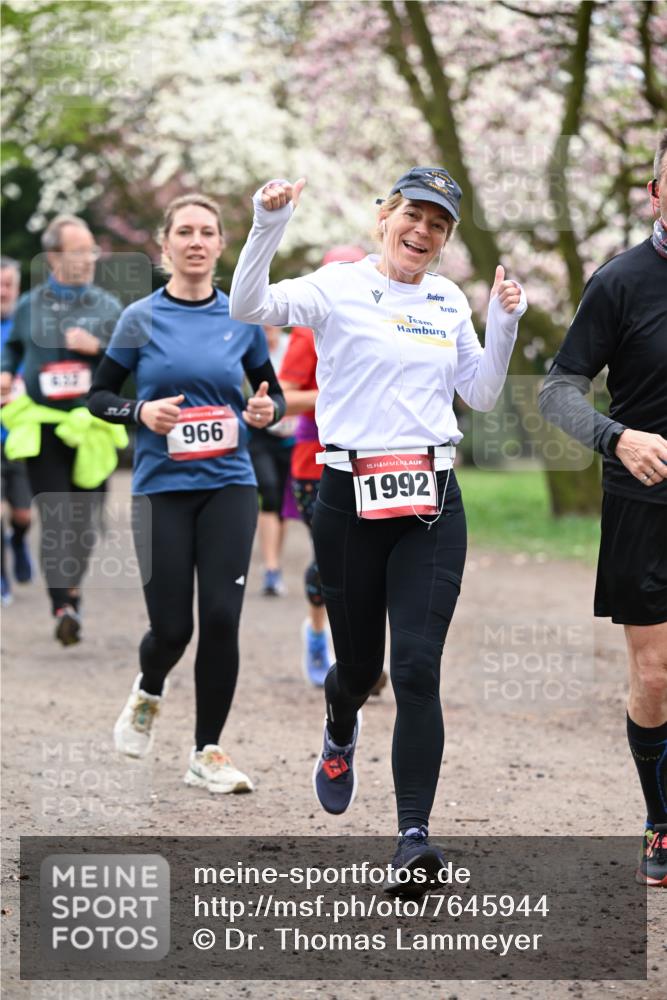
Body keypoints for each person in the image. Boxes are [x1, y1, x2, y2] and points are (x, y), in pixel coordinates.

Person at [230, 167, 526, 892]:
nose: (422, 232)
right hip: (348, 499)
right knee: (360, 671)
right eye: (412, 216)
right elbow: (248, 306)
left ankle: (413, 840)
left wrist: (504, 324)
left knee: (417, 668)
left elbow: (482, 392)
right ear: (385, 217)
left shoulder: (447, 299)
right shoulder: (337, 286)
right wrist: (268, 222)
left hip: (431, 501)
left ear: (445, 240)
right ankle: (340, 725)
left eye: (438, 225)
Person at [88, 193, 285, 794]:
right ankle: (149, 690)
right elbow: (98, 396)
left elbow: (271, 393)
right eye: (185, 232)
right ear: (165, 243)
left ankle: (207, 752)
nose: (196, 242)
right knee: (172, 629)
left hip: (229, 484)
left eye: (206, 232)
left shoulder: (242, 316)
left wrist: (266, 410)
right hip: (161, 490)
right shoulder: (139, 318)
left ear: (221, 245)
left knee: (221, 618)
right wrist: (140, 411)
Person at [539, 129, 667, 887]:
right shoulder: (619, 281)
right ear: (654, 193)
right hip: (643, 504)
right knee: (655, 677)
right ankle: (660, 819)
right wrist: (616, 438)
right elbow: (557, 389)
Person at [0, 218, 124, 643]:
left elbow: (132, 360)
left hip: (92, 427)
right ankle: (62, 606)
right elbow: (12, 348)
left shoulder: (107, 307)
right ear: (53, 257)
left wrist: (98, 348)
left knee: (84, 525)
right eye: (79, 251)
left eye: (92, 250)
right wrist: (5, 372)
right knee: (56, 517)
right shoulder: (29, 305)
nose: (89, 259)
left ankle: (72, 591)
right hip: (45, 426)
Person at [278, 245, 381, 691]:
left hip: (372, 461)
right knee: (332, 558)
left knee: (371, 560)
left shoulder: (381, 325)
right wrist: (338, 392)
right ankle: (319, 636)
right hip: (314, 463)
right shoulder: (306, 333)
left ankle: (359, 655)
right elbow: (283, 397)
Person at [248, 324, 295, 596]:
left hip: (291, 435)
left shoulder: (293, 346)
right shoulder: (250, 346)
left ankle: (275, 563)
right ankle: (270, 567)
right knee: (268, 491)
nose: (268, 326)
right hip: (260, 434)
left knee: (282, 503)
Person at [0, 256, 33, 606]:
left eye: (8, 284)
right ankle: (1, 577)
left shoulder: (28, 325)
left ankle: (19, 540)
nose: (3, 291)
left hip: (21, 436)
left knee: (23, 514)